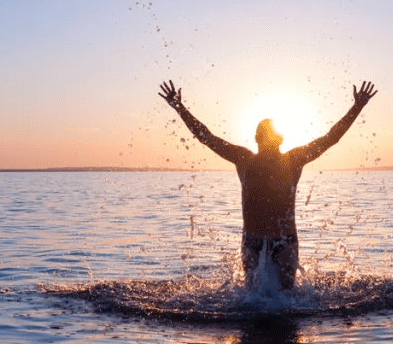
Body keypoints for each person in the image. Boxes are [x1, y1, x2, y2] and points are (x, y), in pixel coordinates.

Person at [159, 79, 377, 290]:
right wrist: (179, 108)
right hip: (255, 242)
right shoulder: (246, 159)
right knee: (263, 301)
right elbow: (206, 137)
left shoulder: (291, 160)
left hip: (283, 242)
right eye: (265, 136)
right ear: (257, 138)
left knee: (280, 302)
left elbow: (331, 138)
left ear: (277, 139)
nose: (268, 140)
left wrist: (356, 107)